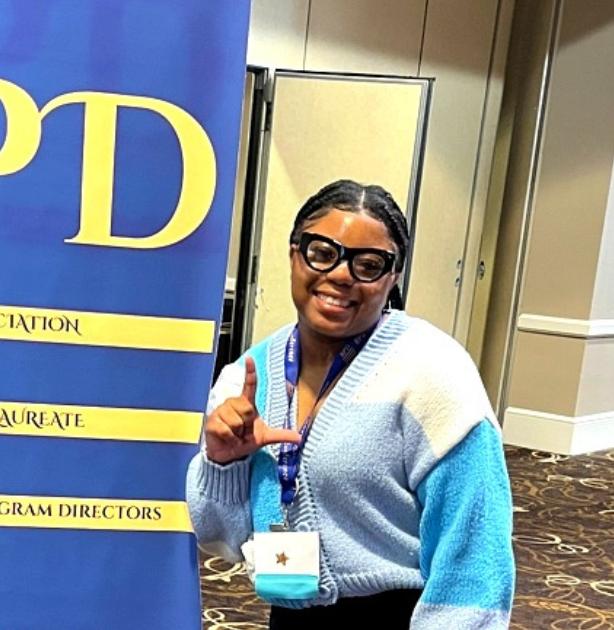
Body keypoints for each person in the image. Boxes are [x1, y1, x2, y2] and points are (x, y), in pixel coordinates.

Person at [186, 179, 515, 629]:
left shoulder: (432, 375)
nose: (341, 274)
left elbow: (476, 553)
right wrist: (223, 463)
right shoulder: (249, 377)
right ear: (293, 254)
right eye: (322, 252)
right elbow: (218, 537)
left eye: (368, 264)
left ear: (393, 276)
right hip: (288, 609)